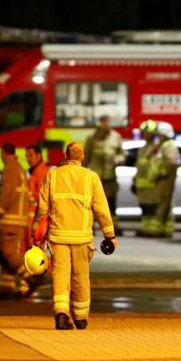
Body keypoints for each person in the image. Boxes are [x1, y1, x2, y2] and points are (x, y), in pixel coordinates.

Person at [33, 141, 116, 330]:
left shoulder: (53, 176)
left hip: (58, 236)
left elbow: (42, 209)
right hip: (82, 238)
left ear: (65, 155)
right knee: (81, 277)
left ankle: (61, 314)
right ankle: (80, 317)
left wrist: (36, 231)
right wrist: (109, 235)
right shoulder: (91, 178)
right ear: (83, 156)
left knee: (61, 275)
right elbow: (101, 209)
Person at [0, 143, 33, 298]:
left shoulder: (11, 168)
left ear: (3, 153)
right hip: (14, 219)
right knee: (2, 254)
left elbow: (8, 193)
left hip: (11, 219)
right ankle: (6, 287)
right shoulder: (17, 168)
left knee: (8, 253)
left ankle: (31, 277)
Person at [83, 115, 125, 235]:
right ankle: (90, 227)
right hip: (96, 178)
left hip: (110, 177)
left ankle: (113, 227)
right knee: (93, 203)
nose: (104, 125)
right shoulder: (92, 138)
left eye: (106, 122)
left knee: (111, 202)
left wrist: (117, 159)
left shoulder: (116, 137)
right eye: (102, 122)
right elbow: (87, 156)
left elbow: (122, 154)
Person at [23, 144, 50, 298]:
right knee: (31, 249)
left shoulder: (41, 173)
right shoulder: (35, 172)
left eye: (31, 155)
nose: (28, 159)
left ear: (39, 156)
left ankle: (35, 279)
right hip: (32, 216)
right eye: (27, 156)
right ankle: (29, 283)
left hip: (35, 217)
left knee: (34, 250)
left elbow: (41, 198)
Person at [151, 121, 181, 238]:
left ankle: (159, 229)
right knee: (163, 203)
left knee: (163, 203)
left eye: (159, 134)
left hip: (166, 179)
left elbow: (172, 163)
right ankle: (163, 228)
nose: (158, 136)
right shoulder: (164, 146)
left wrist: (162, 173)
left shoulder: (169, 147)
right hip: (162, 179)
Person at [133, 119, 161, 236]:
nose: (145, 134)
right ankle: (145, 228)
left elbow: (156, 165)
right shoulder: (142, 148)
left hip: (151, 184)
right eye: (143, 132)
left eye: (147, 132)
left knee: (151, 208)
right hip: (141, 184)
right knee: (144, 207)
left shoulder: (156, 148)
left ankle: (150, 229)